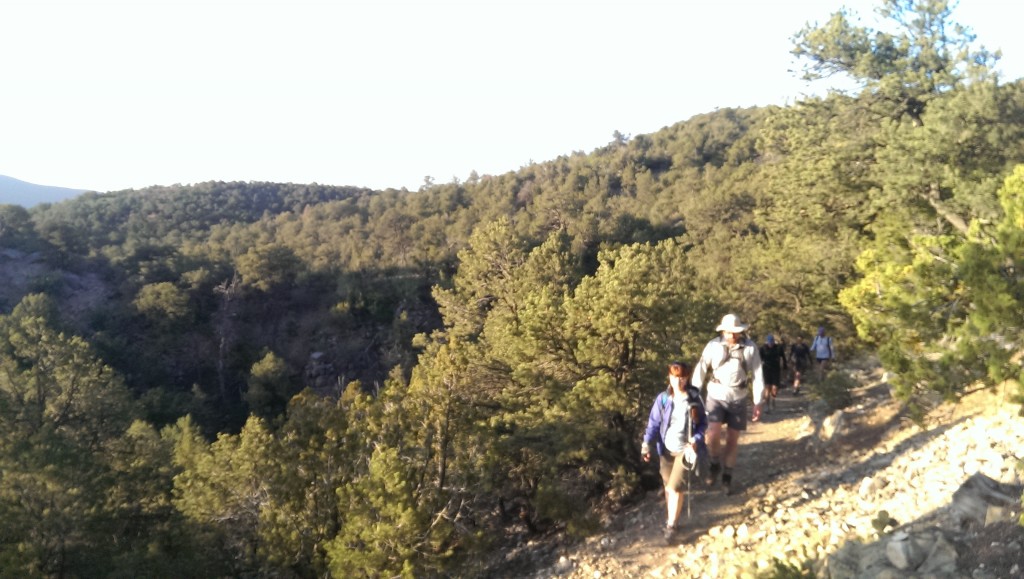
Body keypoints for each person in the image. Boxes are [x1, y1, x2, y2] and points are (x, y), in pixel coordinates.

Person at [691, 314, 764, 495]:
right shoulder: (713, 346)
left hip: (738, 396)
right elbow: (701, 368)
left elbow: (757, 374)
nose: (731, 335)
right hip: (716, 393)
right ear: (723, 331)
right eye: (729, 332)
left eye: (735, 332)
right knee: (713, 433)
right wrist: (693, 394)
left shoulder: (749, 348)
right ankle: (715, 462)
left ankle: (727, 477)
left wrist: (758, 401)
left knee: (732, 438)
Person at [641, 361, 708, 544]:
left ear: (686, 378)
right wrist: (646, 444)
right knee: (669, 487)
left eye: (681, 377)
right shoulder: (663, 399)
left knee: (674, 488)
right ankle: (675, 520)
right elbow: (653, 424)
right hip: (666, 450)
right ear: (669, 377)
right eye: (674, 377)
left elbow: (703, 423)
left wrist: (696, 439)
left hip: (685, 451)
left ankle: (670, 527)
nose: (678, 381)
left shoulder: (694, 398)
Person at [759, 334, 787, 412]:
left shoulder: (778, 348)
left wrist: (785, 366)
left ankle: (773, 400)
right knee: (767, 387)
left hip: (776, 369)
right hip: (766, 370)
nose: (770, 343)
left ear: (774, 341)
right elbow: (758, 360)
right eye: (769, 342)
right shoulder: (763, 349)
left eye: (772, 341)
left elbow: (783, 357)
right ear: (767, 341)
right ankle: (767, 405)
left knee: (774, 388)